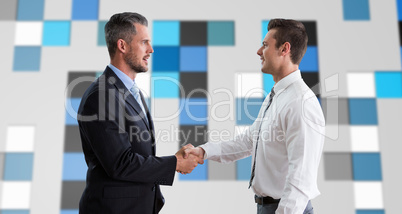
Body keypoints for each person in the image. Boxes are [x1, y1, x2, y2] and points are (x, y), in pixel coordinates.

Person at [185, 19, 325, 214]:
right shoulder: (276, 95)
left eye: (266, 45)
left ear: (285, 49)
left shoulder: (301, 103)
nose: (259, 51)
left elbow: (301, 178)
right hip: (267, 207)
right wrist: (204, 151)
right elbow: (249, 140)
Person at [77, 12, 200, 214]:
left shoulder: (131, 92)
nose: (150, 50)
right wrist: (175, 162)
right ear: (122, 46)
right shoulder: (101, 96)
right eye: (144, 42)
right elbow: (120, 163)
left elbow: (138, 151)